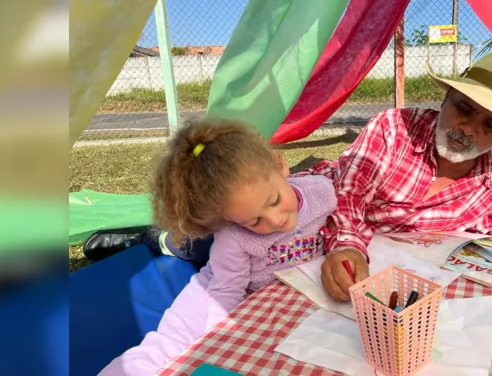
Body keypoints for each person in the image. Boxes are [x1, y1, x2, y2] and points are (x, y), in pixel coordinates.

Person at [304, 48, 492, 301]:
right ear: (445, 99)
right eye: (465, 109)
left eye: (491, 125)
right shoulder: (393, 130)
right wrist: (347, 247)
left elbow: (489, 228)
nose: (468, 130)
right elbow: (348, 197)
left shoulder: (490, 188)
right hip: (311, 226)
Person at [98, 117, 335, 375]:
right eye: (254, 220)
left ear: (280, 166)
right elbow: (226, 291)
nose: (276, 220)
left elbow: (345, 224)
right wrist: (218, 341)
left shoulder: (322, 193)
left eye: (275, 200)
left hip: (280, 298)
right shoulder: (232, 237)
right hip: (219, 290)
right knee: (168, 348)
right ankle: (152, 239)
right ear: (229, 220)